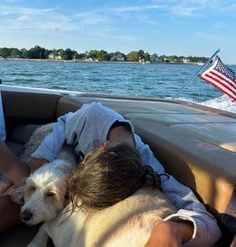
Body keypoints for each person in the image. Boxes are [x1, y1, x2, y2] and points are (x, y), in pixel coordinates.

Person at [0, 102, 221, 246]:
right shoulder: (92, 115)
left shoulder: (153, 170)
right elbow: (61, 128)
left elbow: (207, 221)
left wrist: (172, 229)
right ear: (99, 148)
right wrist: (41, 163)